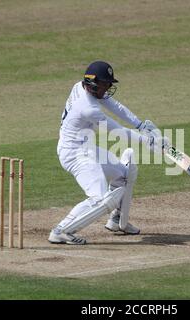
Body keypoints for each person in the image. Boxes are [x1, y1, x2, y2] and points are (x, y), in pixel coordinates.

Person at [49, 61, 166, 245]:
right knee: (99, 198)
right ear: (93, 83)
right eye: (105, 84)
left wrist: (140, 125)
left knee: (123, 175)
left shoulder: (81, 86)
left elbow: (115, 106)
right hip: (74, 154)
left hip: (84, 148)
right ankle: (61, 230)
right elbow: (117, 131)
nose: (108, 88)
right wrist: (149, 141)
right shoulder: (87, 108)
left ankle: (117, 219)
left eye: (109, 84)